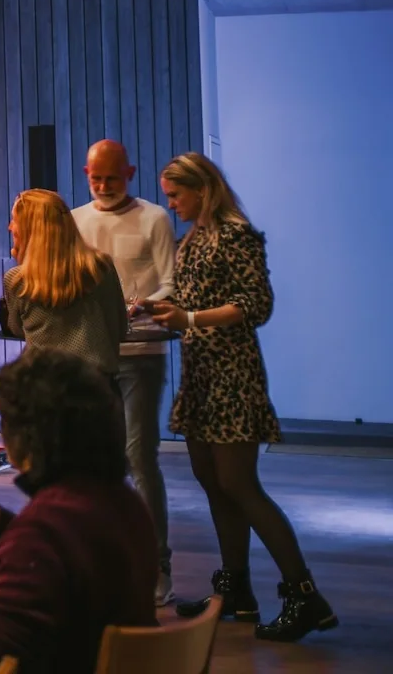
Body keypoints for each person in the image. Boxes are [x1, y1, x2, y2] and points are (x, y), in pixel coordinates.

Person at [143, 153, 336, 642]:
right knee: (213, 481)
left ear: (203, 190)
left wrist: (189, 320)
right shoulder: (193, 240)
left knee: (240, 485)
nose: (171, 205)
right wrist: (157, 308)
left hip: (232, 378)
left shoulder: (236, 234)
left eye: (176, 195)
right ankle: (235, 591)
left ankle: (305, 594)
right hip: (201, 376)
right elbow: (193, 301)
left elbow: (256, 305)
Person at [0, 350, 157, 674]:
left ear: (30, 435)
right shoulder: (124, 504)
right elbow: (53, 555)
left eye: (2, 418)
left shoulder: (41, 536)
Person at [70, 138, 177, 604]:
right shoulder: (76, 220)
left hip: (143, 353)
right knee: (97, 461)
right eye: (96, 178)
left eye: (112, 177)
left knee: (139, 456)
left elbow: (172, 280)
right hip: (93, 354)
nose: (104, 186)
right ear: (86, 173)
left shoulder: (154, 217)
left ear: (130, 172)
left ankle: (158, 566)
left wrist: (142, 305)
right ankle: (106, 564)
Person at [1, 190, 127, 373]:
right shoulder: (101, 267)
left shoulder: (17, 279)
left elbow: (17, 329)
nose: (10, 227)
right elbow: (119, 329)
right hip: (99, 388)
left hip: (44, 388)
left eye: (15, 221)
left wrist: (23, 262)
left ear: (29, 230)